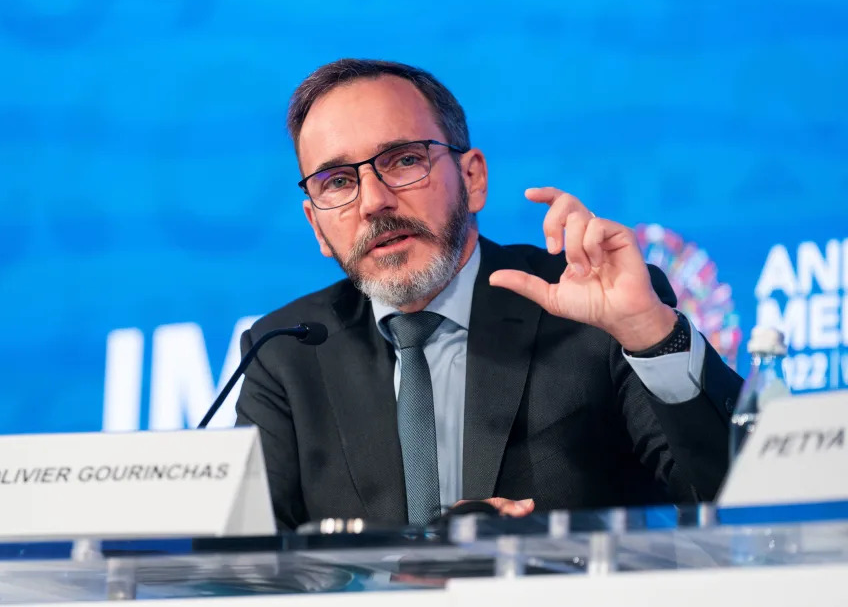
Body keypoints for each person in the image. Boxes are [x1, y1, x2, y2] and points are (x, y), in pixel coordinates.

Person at [235, 59, 741, 530]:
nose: (374, 201)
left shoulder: (589, 304)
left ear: (472, 178)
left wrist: (648, 333)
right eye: (337, 181)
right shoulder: (286, 354)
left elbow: (738, 494)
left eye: (404, 160)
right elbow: (242, 567)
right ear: (317, 226)